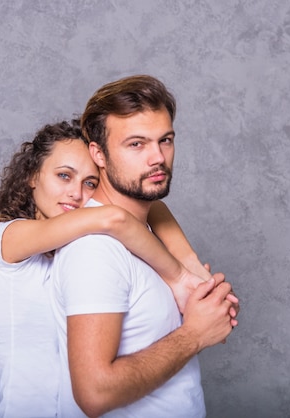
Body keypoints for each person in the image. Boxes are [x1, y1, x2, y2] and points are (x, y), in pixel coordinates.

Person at [0, 119, 231, 418]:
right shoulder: (0, 239)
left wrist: (191, 261)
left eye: (90, 182)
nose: (76, 193)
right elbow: (116, 218)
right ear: (32, 175)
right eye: (64, 176)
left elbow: (152, 206)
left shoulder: (75, 247)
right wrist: (181, 277)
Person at [51, 75, 238, 417]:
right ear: (99, 153)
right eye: (136, 144)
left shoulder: (149, 232)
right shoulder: (96, 252)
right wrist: (194, 334)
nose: (157, 158)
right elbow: (94, 393)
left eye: (165, 140)